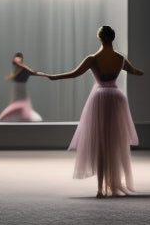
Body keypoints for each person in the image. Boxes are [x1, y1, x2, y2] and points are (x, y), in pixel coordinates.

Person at [42, 25, 143, 197]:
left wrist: (55, 76)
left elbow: (74, 74)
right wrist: (142, 72)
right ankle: (113, 183)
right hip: (117, 98)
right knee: (114, 143)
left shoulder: (93, 58)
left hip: (100, 99)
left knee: (101, 144)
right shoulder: (120, 59)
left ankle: (100, 189)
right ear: (112, 38)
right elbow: (134, 71)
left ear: (100, 38)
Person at [0, 53, 43, 122]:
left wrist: (48, 75)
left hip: (22, 101)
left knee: (1, 118)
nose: (17, 63)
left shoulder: (25, 70)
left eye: (18, 61)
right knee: (2, 118)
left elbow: (35, 72)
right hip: (17, 101)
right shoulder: (16, 72)